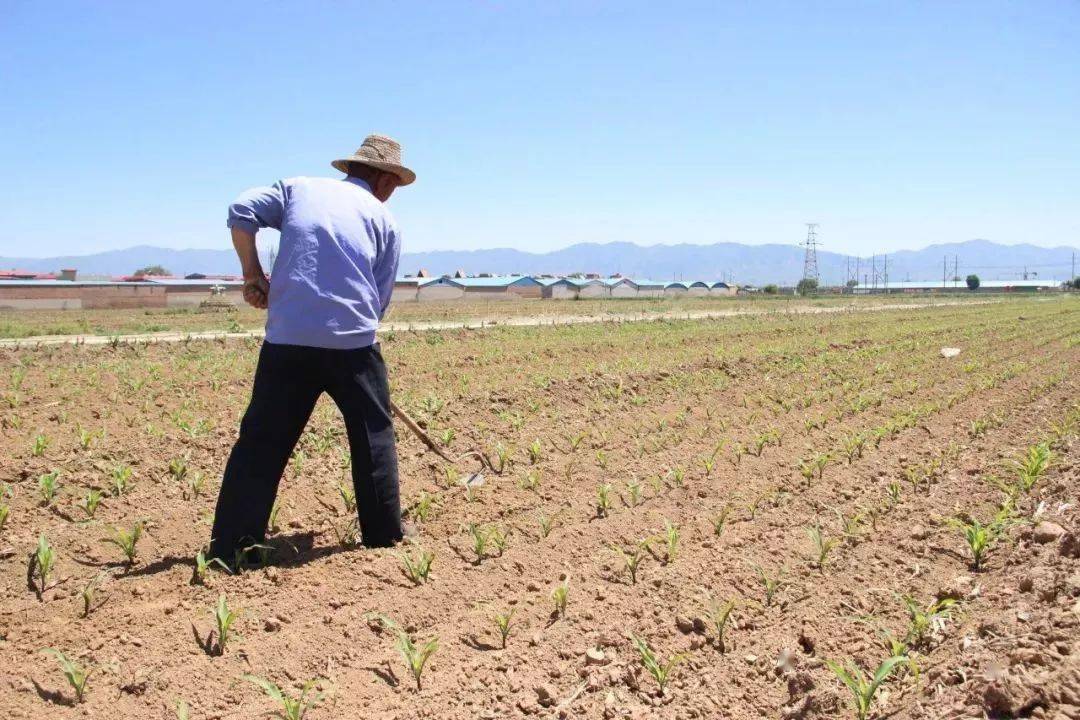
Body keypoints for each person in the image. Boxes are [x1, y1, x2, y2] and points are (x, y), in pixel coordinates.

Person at [209, 134, 415, 565]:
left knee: (262, 442)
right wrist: (353, 338)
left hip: (287, 340)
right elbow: (379, 298)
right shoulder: (383, 218)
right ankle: (383, 534)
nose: (392, 192)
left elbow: (241, 211)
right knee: (373, 436)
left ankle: (232, 547)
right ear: (381, 178)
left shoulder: (297, 189)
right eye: (393, 183)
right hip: (354, 346)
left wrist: (253, 275)